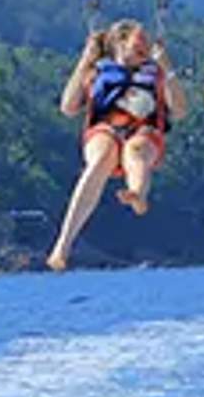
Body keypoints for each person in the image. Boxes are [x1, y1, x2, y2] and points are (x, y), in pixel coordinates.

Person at [47, 18, 184, 270]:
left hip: (144, 131)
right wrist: (85, 60)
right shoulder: (96, 70)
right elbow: (68, 107)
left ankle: (137, 193)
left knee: (136, 151)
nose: (147, 44)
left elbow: (180, 110)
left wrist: (168, 68)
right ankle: (62, 246)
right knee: (102, 158)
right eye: (140, 39)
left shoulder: (157, 73)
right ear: (120, 43)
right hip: (105, 129)